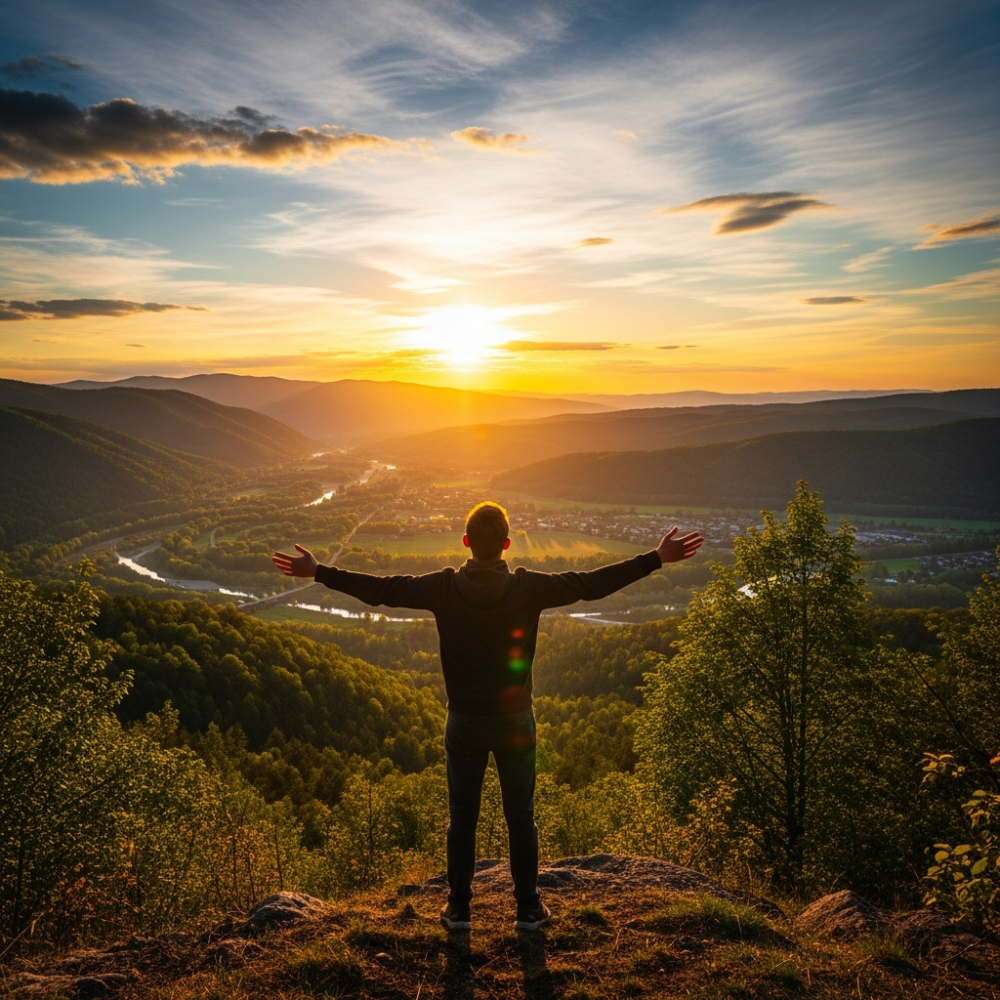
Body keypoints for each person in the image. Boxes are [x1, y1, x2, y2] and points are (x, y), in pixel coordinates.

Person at [272, 502, 702, 932]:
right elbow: (592, 585)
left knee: (462, 818)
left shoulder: (443, 587)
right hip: (516, 721)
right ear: (506, 545)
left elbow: (383, 589)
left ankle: (459, 909)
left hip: (463, 723)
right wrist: (655, 558)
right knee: (521, 816)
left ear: (466, 543)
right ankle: (528, 909)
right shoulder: (527, 587)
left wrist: (320, 571)